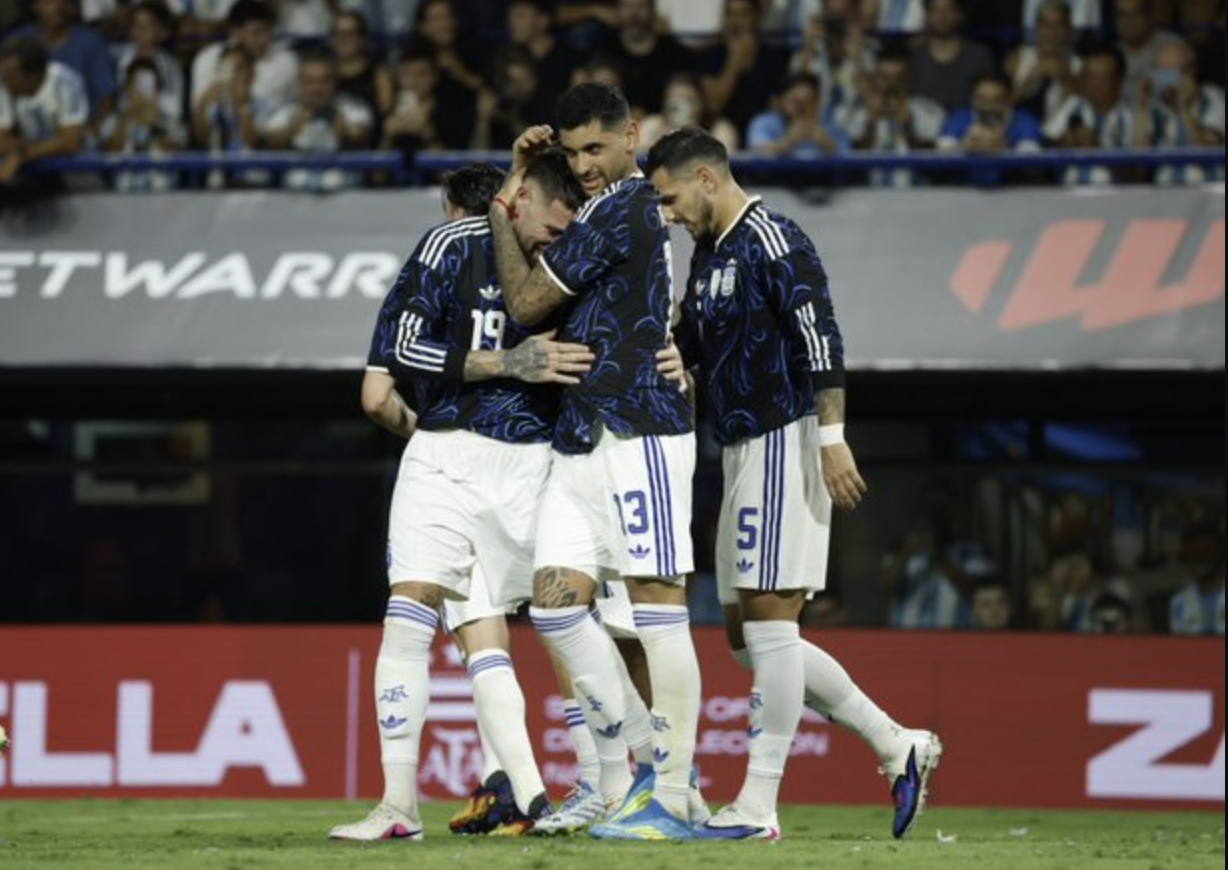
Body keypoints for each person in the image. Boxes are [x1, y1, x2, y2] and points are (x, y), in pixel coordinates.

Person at [647, 127, 942, 842]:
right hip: (742, 448)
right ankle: (897, 742)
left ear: (708, 178)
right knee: (747, 641)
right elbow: (693, 343)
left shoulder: (775, 240)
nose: (669, 214)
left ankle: (757, 804)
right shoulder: (711, 253)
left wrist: (832, 439)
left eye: (671, 197)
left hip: (786, 439)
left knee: (773, 629)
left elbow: (822, 339)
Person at [329, 155, 594, 842]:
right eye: (551, 217)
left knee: (564, 621)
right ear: (521, 197)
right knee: (415, 612)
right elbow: (404, 345)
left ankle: (584, 787)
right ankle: (400, 805)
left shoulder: (573, 254)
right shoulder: (452, 245)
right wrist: (507, 362)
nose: (555, 235)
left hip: (535, 460)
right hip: (448, 454)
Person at [488, 83, 702, 841]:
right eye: (572, 152)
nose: (581, 165)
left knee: (656, 611)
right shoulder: (604, 210)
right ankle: (642, 766)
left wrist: (498, 213)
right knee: (553, 607)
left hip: (639, 429)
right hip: (583, 435)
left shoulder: (626, 208)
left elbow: (522, 302)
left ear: (631, 136)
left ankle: (675, 794)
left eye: (595, 149)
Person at [261, 49, 375, 192]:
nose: (317, 89)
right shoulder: (285, 110)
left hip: (346, 197)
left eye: (324, 81)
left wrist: (346, 131)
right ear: (300, 83)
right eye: (310, 81)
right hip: (293, 200)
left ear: (335, 82)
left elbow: (361, 133)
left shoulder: (352, 106)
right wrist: (293, 128)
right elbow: (271, 140)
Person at [8, 0, 117, 124]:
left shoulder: (89, 41)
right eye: (49, 2)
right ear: (35, 5)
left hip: (81, 130)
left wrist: (93, 135)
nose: (57, 6)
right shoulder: (17, 42)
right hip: (30, 132)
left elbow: (107, 98)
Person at [0, 37, 88, 187]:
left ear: (30, 76)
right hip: (27, 173)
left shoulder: (65, 82)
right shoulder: (4, 86)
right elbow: (2, 141)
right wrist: (40, 148)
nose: (4, 78)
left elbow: (71, 142)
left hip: (72, 171)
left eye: (9, 74)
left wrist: (21, 154)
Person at [190, 0, 298, 117]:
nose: (265, 39)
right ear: (235, 32)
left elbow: (295, 105)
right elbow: (199, 111)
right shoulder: (209, 59)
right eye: (257, 32)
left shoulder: (286, 59)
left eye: (268, 31)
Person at [593, 0, 694, 116]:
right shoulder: (603, 51)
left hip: (667, 125)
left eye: (641, 6)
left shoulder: (677, 55)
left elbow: (687, 103)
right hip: (615, 126)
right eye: (627, 6)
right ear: (618, 11)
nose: (633, 14)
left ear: (653, 11)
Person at [909, 0, 997, 114]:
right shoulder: (913, 56)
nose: (942, 17)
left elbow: (990, 99)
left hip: (967, 127)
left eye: (949, 10)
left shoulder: (980, 56)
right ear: (927, 16)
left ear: (961, 15)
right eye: (935, 10)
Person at [748, 71, 853, 157]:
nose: (799, 109)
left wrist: (828, 145)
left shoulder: (833, 128)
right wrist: (789, 142)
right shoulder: (764, 123)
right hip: (774, 181)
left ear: (817, 103)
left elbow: (851, 163)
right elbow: (757, 153)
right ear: (784, 99)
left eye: (807, 102)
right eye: (795, 101)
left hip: (821, 181)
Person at [639, 72, 740, 154]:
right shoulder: (652, 124)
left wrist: (697, 137)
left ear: (701, 104)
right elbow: (637, 158)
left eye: (688, 100)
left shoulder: (720, 127)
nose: (680, 107)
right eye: (674, 100)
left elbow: (726, 163)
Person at [1168, 524, 1225, 636]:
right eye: (1193, 553)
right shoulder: (1179, 603)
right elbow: (1178, 648)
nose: (1200, 559)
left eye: (1207, 551)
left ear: (1220, 555)